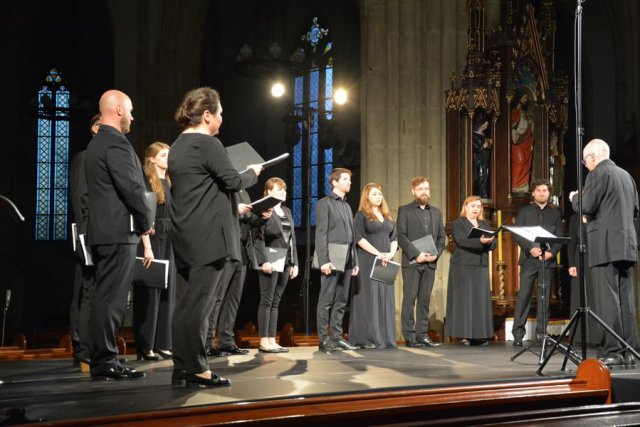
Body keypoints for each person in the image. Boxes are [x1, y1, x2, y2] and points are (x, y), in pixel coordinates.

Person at [169, 87, 261, 387]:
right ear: (207, 115)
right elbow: (233, 181)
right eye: (219, 113)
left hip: (185, 233)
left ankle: (182, 365)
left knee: (186, 305)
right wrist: (253, 173)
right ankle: (196, 367)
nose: (222, 118)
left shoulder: (178, 145)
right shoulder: (208, 144)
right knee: (200, 306)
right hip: (209, 236)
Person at [85, 90, 152, 380]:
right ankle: (105, 360)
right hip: (118, 230)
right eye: (131, 110)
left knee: (104, 296)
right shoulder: (116, 143)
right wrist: (146, 220)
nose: (134, 117)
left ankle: (103, 358)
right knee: (112, 299)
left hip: (104, 230)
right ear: (119, 111)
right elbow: (132, 188)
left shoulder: (97, 143)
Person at [570, 138, 639, 368]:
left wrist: (575, 198)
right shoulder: (626, 176)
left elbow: (587, 205)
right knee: (626, 302)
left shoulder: (598, 174)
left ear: (592, 157)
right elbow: (635, 211)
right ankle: (631, 351)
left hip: (606, 246)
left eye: (585, 161)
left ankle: (613, 352)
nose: (586, 166)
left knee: (607, 301)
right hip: (626, 245)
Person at [205, 189, 267, 357]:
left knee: (233, 299)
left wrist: (262, 217)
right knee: (217, 298)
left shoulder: (245, 193)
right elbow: (213, 215)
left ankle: (226, 341)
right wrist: (234, 210)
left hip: (242, 252)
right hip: (225, 249)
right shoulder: (221, 190)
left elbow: (250, 219)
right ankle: (208, 342)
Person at [132, 142, 175, 361]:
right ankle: (145, 346)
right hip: (152, 238)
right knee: (149, 292)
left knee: (168, 291)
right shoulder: (147, 181)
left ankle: (163, 343)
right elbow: (142, 216)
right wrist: (147, 246)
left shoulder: (168, 181)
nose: (168, 158)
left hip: (169, 239)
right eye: (163, 155)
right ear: (151, 159)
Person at [511, 179, 563, 346]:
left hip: (547, 262)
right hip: (529, 261)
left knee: (544, 298)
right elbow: (517, 235)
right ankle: (518, 335)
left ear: (549, 193)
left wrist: (551, 253)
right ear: (532, 193)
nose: (542, 193)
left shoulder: (555, 213)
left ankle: (542, 334)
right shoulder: (524, 212)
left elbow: (559, 238)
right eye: (539, 190)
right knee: (524, 297)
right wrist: (529, 249)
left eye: (545, 190)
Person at [397, 176, 446, 347]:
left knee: (424, 300)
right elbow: (401, 236)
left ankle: (422, 334)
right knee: (410, 299)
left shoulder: (436, 212)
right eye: (420, 189)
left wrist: (437, 254)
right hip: (412, 262)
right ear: (413, 191)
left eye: (426, 188)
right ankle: (409, 336)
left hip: (430, 263)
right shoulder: (405, 210)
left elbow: (441, 237)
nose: (424, 192)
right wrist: (416, 254)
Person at [348, 183, 398, 349]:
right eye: (375, 194)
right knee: (369, 297)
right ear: (367, 197)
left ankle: (385, 338)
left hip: (386, 260)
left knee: (385, 297)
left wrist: (390, 254)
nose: (379, 196)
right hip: (368, 259)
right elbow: (358, 237)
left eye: (380, 194)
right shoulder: (361, 215)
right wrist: (377, 253)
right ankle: (367, 337)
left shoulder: (387, 215)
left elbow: (394, 237)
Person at [68, 113, 100, 370]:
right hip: (88, 236)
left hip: (106, 236)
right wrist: (85, 239)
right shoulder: (83, 158)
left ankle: (96, 348)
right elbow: (80, 201)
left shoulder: (104, 159)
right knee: (85, 291)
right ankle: (82, 349)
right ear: (95, 128)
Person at [315, 168, 359, 352]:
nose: (349, 182)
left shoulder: (347, 206)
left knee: (341, 300)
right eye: (345, 179)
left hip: (347, 258)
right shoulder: (324, 203)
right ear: (334, 182)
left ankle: (337, 337)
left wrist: (354, 261)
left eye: (349, 179)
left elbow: (352, 236)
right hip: (331, 257)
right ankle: (324, 338)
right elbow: (321, 233)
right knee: (326, 300)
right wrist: (323, 260)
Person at [254, 178, 299, 353]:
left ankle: (272, 339)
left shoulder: (287, 211)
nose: (283, 193)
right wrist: (263, 260)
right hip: (269, 259)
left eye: (284, 190)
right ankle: (264, 340)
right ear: (268, 193)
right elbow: (258, 237)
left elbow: (292, 239)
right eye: (278, 190)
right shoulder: (264, 211)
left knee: (276, 301)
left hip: (285, 260)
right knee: (266, 300)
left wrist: (294, 262)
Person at [445, 196, 496, 346]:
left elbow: (493, 244)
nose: (476, 209)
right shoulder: (459, 223)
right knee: (465, 301)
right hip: (464, 266)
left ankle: (479, 335)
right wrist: (480, 241)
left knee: (479, 301)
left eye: (478, 206)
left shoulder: (484, 223)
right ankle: (466, 334)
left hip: (480, 265)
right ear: (465, 207)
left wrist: (490, 241)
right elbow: (461, 241)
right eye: (473, 206)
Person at [566, 212, 599, 345]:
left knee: (595, 296)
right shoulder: (574, 217)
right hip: (580, 258)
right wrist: (571, 264)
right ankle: (579, 336)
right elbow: (572, 241)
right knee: (579, 297)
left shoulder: (598, 214)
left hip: (597, 256)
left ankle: (597, 336)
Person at [511, 90, 534, 193]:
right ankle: (515, 186)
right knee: (519, 163)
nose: (526, 100)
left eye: (526, 98)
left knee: (525, 166)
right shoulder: (514, 112)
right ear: (519, 98)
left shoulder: (524, 114)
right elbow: (510, 128)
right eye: (524, 97)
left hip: (526, 144)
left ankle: (523, 187)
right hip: (517, 144)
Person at [472, 116, 493, 199]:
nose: (486, 126)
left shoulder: (484, 136)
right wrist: (483, 146)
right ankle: (479, 194)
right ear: (481, 124)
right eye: (485, 124)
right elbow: (475, 147)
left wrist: (489, 143)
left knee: (486, 176)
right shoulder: (474, 135)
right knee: (480, 175)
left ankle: (484, 194)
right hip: (478, 160)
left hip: (485, 159)